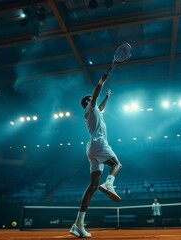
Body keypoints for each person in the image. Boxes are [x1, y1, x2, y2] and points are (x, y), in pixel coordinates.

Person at [70, 73, 122, 238]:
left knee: (92, 187)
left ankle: (78, 224)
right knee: (117, 165)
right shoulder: (89, 107)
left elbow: (101, 108)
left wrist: (107, 98)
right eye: (92, 98)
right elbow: (95, 97)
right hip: (99, 144)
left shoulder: (94, 112)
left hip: (92, 149)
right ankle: (109, 184)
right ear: (88, 102)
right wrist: (102, 81)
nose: (94, 98)